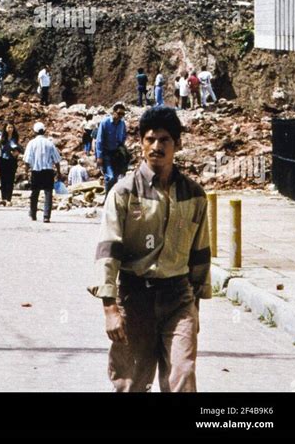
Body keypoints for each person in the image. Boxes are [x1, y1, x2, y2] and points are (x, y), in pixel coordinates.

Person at [88, 106, 211, 393]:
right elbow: (108, 250)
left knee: (183, 376)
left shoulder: (194, 195)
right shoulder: (123, 193)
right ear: (141, 143)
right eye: (150, 139)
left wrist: (195, 309)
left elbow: (200, 253)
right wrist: (110, 308)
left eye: (165, 140)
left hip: (178, 298)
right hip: (135, 297)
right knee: (130, 383)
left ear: (177, 144)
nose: (156, 147)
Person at [23, 122, 61, 223]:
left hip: (36, 171)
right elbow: (56, 160)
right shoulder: (50, 143)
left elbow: (27, 160)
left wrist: (26, 172)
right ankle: (46, 216)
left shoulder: (31, 143)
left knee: (35, 193)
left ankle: (33, 214)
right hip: (48, 171)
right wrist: (59, 172)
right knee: (48, 193)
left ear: (34, 132)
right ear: (44, 131)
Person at [95, 103, 127, 195]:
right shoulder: (105, 122)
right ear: (113, 112)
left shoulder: (122, 124)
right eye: (119, 113)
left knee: (117, 177)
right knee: (110, 176)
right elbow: (99, 140)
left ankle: (113, 198)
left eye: (123, 114)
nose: (120, 116)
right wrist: (99, 157)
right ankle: (107, 198)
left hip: (116, 153)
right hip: (106, 153)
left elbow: (124, 135)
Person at [0, 122, 21, 206]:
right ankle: (3, 198)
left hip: (12, 160)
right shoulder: (2, 137)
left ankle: (9, 199)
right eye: (8, 127)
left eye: (11, 127)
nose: (10, 129)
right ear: (5, 129)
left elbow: (19, 148)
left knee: (10, 180)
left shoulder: (15, 138)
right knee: (3, 180)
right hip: (3, 160)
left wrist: (17, 152)